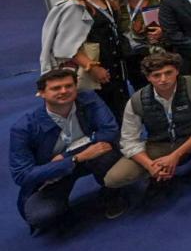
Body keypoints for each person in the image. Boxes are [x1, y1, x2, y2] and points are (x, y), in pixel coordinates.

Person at [9, 69, 126, 232]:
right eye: (56, 88)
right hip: (53, 174)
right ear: (41, 93)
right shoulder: (23, 128)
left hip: (92, 157)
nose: (64, 91)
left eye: (69, 86)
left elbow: (110, 131)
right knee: (42, 216)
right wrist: (74, 159)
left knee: (107, 152)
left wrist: (65, 155)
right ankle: (61, 207)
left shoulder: (89, 99)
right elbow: (22, 175)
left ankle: (111, 195)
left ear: (76, 87)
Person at [104, 52, 191, 189]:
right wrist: (149, 165)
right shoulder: (136, 101)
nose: (163, 79)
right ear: (148, 77)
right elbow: (128, 140)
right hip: (159, 144)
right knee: (113, 178)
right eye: (156, 75)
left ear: (177, 71)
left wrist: (176, 155)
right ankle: (155, 173)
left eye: (168, 73)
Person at [40, 0, 130, 120]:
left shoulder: (106, 2)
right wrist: (92, 68)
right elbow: (66, 46)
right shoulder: (74, 6)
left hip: (115, 65)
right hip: (95, 68)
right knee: (103, 113)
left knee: (120, 109)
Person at [113, 0, 168, 91]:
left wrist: (164, 31)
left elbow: (177, 22)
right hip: (134, 59)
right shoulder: (117, 6)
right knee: (143, 91)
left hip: (161, 53)